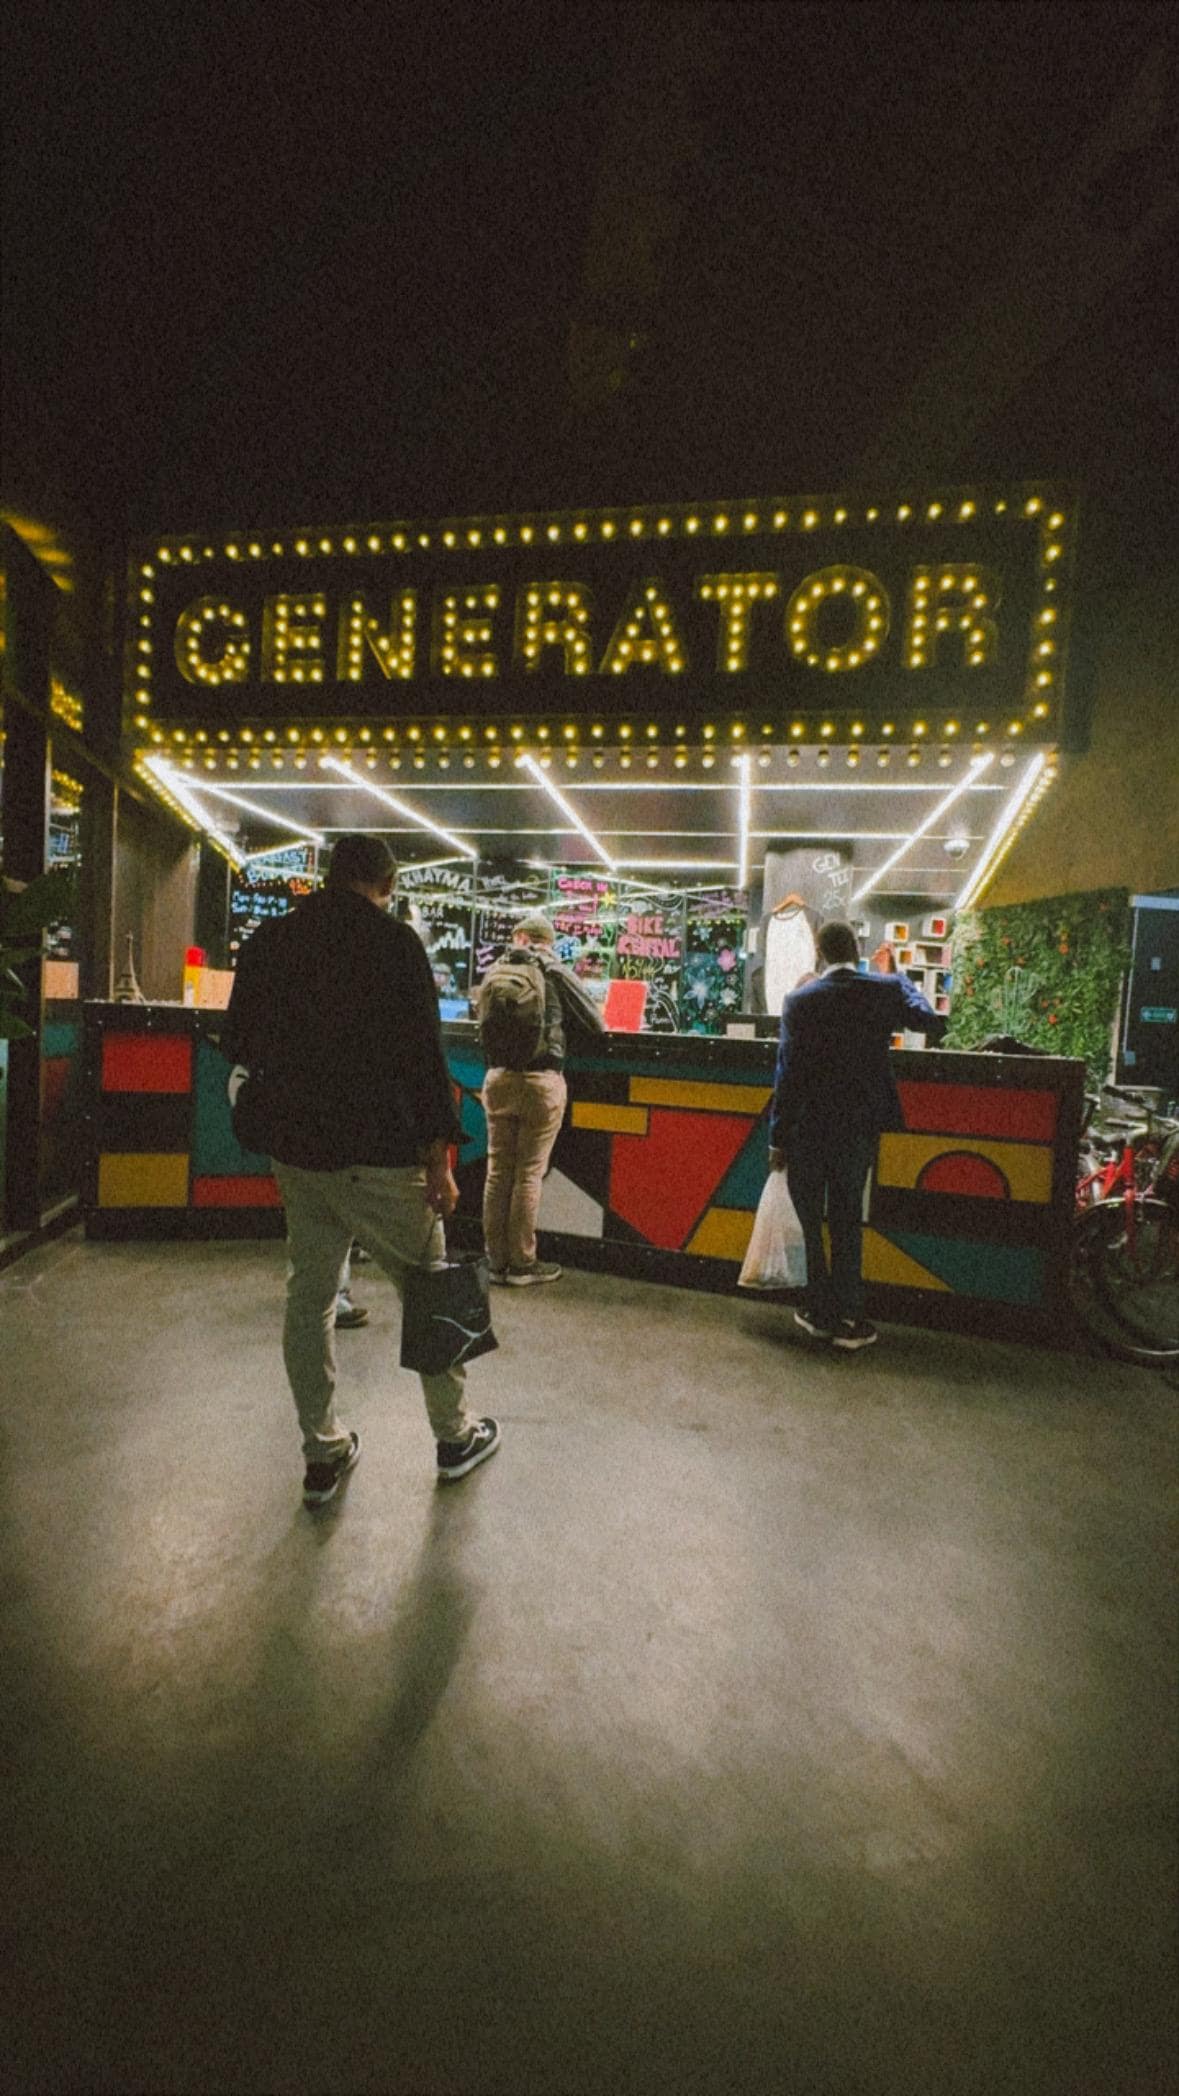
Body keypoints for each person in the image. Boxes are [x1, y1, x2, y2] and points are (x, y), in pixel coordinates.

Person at [222, 833, 499, 1505]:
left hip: (297, 1152)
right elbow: (423, 1060)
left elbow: (236, 1041)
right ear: (387, 884)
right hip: (381, 1154)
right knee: (429, 1290)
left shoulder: (269, 941)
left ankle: (322, 1452)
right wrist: (439, 1159)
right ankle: (454, 1436)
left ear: (327, 874)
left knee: (310, 1297)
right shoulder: (395, 944)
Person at [767, 919, 947, 1351]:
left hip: (809, 1126)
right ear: (857, 950)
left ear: (820, 953)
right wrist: (896, 975)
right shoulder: (882, 990)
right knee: (847, 1218)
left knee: (811, 1220)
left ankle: (818, 1311)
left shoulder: (799, 1000)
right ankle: (849, 1317)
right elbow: (931, 1022)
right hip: (857, 1126)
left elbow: (788, 1074)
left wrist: (778, 1137)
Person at [480, 913, 605, 1286]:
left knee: (498, 1171)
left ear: (519, 936)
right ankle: (522, 1264)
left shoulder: (495, 969)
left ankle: (495, 1262)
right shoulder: (553, 970)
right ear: (548, 941)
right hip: (540, 1081)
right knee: (528, 1174)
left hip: (498, 1078)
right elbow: (596, 1024)